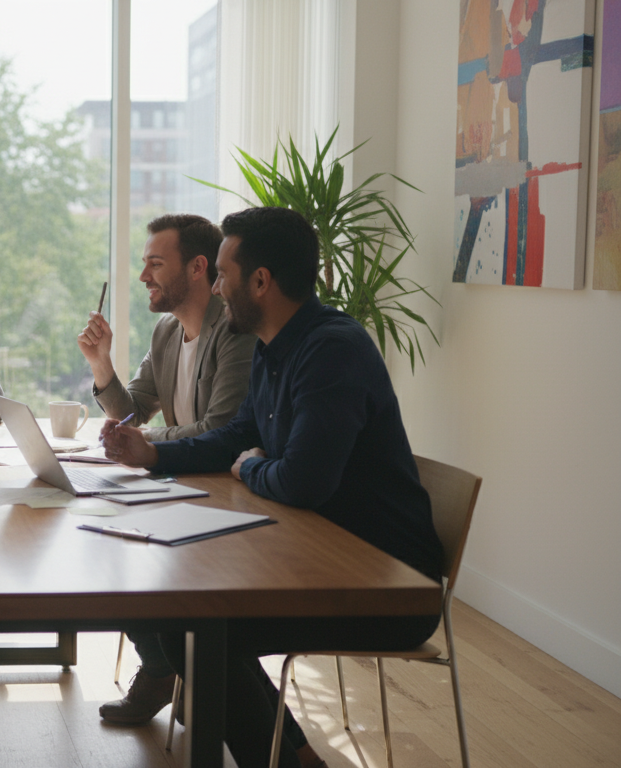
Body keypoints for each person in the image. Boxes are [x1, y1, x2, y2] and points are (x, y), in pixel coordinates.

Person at [101, 207, 443, 768]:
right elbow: (240, 435)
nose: (215, 288)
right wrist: (156, 453)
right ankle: (297, 757)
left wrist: (250, 467)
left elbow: (302, 481)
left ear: (260, 281)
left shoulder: (332, 350)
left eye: (223, 276)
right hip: (322, 558)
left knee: (203, 634)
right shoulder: (271, 344)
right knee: (184, 620)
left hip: (386, 584)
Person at [77, 213, 255, 726]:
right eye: (143, 264)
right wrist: (100, 364)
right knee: (108, 542)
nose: (143, 276)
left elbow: (217, 429)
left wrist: (143, 441)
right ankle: (161, 668)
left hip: (223, 497)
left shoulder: (234, 331)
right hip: (180, 491)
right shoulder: (167, 330)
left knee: (132, 552)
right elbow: (132, 409)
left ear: (198, 267)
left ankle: (171, 671)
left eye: (155, 263)